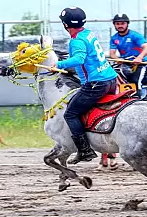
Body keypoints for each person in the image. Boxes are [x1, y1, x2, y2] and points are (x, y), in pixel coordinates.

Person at [53, 7, 118, 164]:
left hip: (96, 84)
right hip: (111, 80)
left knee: (70, 113)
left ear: (65, 24)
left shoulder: (76, 41)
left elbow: (79, 59)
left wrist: (58, 64)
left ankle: (85, 151)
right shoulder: (88, 33)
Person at [109, 13, 147, 98]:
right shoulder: (114, 38)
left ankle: (139, 100)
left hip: (140, 64)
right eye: (117, 24)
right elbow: (112, 54)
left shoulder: (135, 35)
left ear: (127, 24)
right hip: (125, 64)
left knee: (135, 82)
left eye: (122, 23)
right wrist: (118, 59)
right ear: (114, 25)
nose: (120, 26)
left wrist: (139, 58)